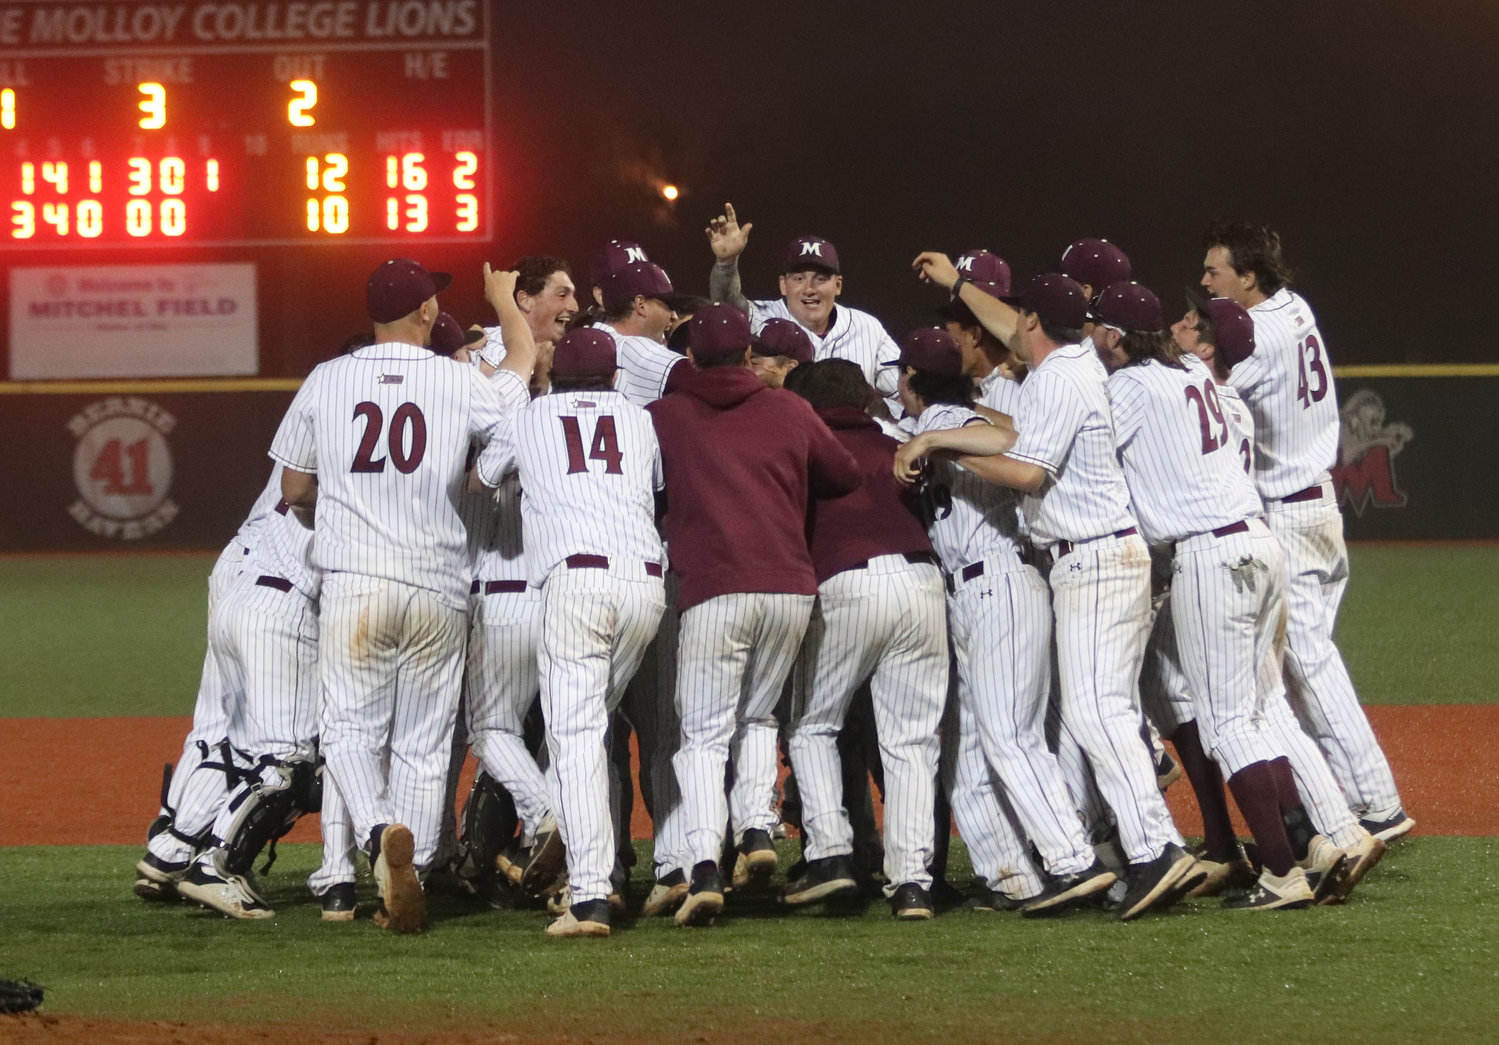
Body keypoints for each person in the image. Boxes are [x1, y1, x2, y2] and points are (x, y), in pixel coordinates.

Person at [900, 259, 1201, 921]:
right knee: (1098, 713)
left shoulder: (1060, 376)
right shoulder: (1074, 363)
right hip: (1096, 555)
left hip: (1093, 556)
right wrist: (959, 287)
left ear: (1034, 320)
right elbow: (1016, 332)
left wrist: (938, 443)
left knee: (1096, 713)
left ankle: (1154, 850)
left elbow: (1025, 474)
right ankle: (1148, 848)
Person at [268, 258, 536, 933]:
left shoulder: (327, 378)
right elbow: (515, 399)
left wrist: (329, 514)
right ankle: (405, 871)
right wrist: (510, 315)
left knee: (350, 731)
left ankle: (381, 832)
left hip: (355, 581)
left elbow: (293, 490)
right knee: (422, 742)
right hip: (437, 583)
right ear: (423, 312)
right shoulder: (456, 378)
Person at [1090, 281, 1316, 909]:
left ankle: (1281, 872)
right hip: (1258, 544)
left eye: (1096, 329)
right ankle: (1286, 855)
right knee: (1257, 715)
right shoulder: (1188, 367)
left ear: (1112, 335)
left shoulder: (1130, 387)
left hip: (1212, 553)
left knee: (1225, 724)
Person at [647, 304, 861, 927]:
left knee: (703, 734)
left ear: (688, 359)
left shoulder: (665, 416)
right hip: (790, 587)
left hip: (715, 588)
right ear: (748, 356)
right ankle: (758, 832)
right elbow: (843, 475)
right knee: (758, 717)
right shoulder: (790, 408)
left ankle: (705, 867)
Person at [1199, 221, 1412, 842]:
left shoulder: (1258, 337)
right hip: (1314, 506)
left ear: (1249, 278)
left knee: (1307, 661)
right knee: (1304, 662)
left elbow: (1205, 397)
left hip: (1290, 512)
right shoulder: (1294, 307)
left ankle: (1376, 802)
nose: (1206, 282)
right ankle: (1358, 796)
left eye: (1215, 272)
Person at [892, 327, 1116, 916]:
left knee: (1011, 736)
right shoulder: (931, 422)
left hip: (1001, 583)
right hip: (965, 595)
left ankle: (1076, 860)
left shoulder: (945, 420)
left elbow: (1008, 437)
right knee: (965, 750)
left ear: (911, 379)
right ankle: (1012, 877)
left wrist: (934, 439)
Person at [474, 327, 667, 937]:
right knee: (589, 726)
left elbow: (483, 477)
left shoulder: (532, 416)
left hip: (575, 584)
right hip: (644, 585)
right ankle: (575, 840)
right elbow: (656, 492)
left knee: (576, 736)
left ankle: (589, 892)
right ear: (613, 377)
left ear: (555, 375)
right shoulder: (638, 419)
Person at [781, 358, 949, 919]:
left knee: (811, 726)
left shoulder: (803, 445)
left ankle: (830, 854)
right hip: (924, 582)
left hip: (847, 584)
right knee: (910, 744)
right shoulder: (900, 439)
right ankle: (913, 885)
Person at [706, 202, 901, 412]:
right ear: (783, 284)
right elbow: (727, 302)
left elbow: (905, 396)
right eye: (798, 278)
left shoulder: (868, 327)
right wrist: (726, 263)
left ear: (838, 285)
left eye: (820, 279)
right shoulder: (763, 318)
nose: (809, 289)